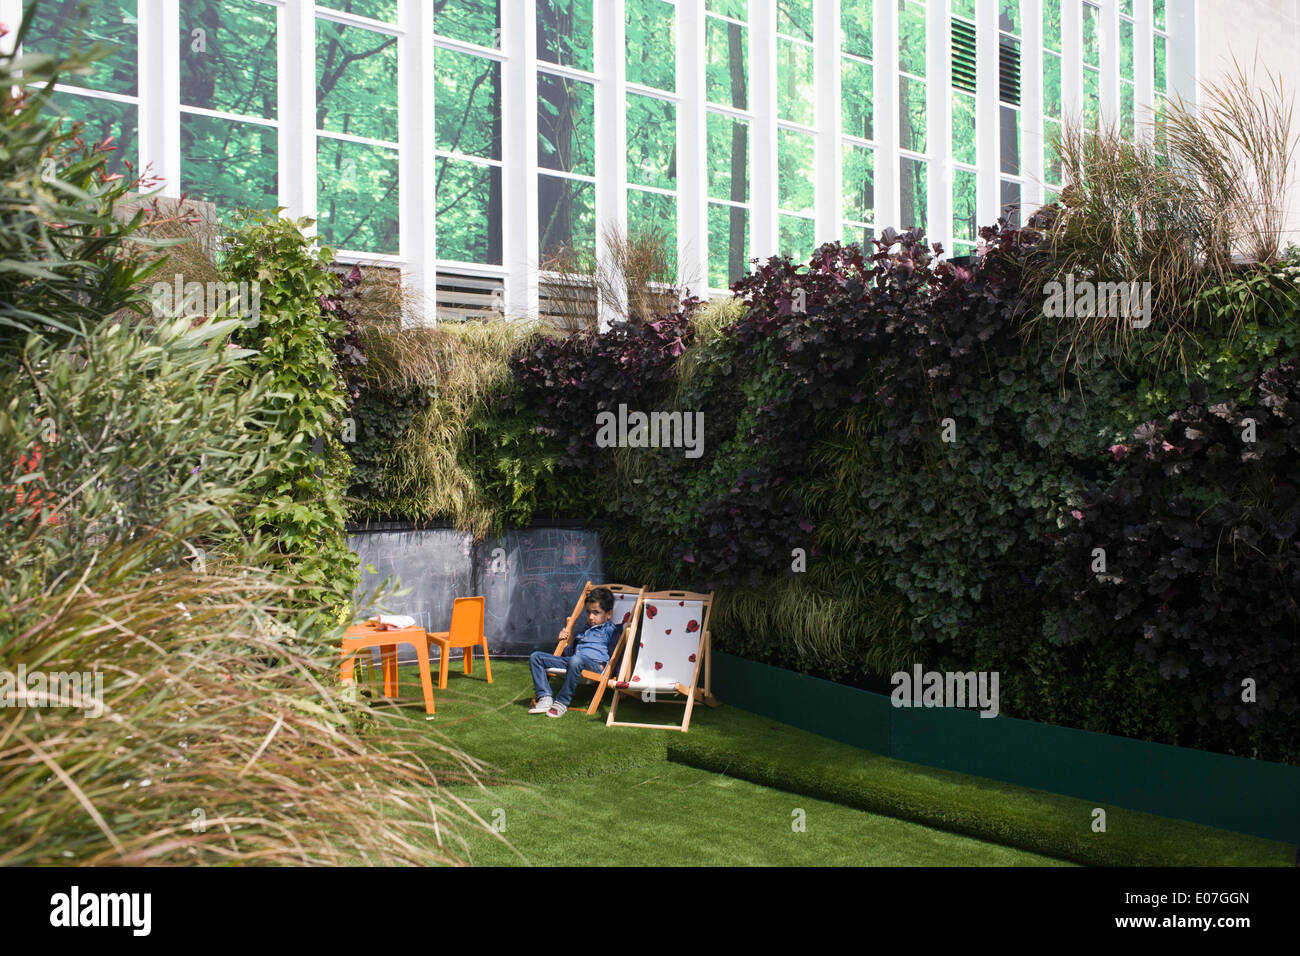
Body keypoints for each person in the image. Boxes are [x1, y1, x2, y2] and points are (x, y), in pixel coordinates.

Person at [528, 587, 617, 718]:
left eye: (596, 612)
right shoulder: (584, 631)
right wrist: (564, 640)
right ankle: (545, 697)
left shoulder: (610, 629)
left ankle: (562, 701)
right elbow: (569, 652)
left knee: (576, 660)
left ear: (609, 614)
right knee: (536, 657)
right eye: (588, 612)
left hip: (595, 666)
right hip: (574, 661)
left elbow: (617, 650)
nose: (591, 617)